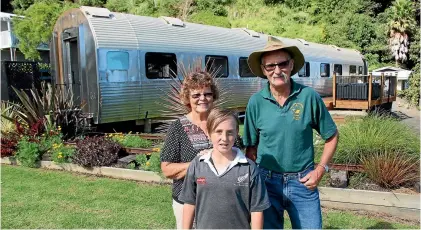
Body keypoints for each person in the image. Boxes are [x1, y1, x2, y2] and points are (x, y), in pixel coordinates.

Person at [243, 36, 339, 229]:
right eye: (270, 66)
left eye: (282, 64)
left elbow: (332, 135)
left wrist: (320, 169)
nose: (277, 70)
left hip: (303, 183)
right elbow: (251, 150)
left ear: (292, 64)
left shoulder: (308, 97)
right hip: (267, 183)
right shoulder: (256, 102)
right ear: (263, 70)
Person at [179, 108, 271, 229]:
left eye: (230, 132)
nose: (224, 138)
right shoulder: (197, 165)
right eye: (219, 131)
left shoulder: (249, 168)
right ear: (208, 132)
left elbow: (257, 210)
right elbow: (189, 203)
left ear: (237, 132)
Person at [160, 71, 219, 229]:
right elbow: (167, 169)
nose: (202, 99)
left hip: (220, 202)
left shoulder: (223, 123)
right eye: (196, 95)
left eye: (207, 94)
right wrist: (198, 163)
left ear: (213, 96)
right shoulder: (178, 127)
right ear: (187, 98)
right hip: (187, 203)